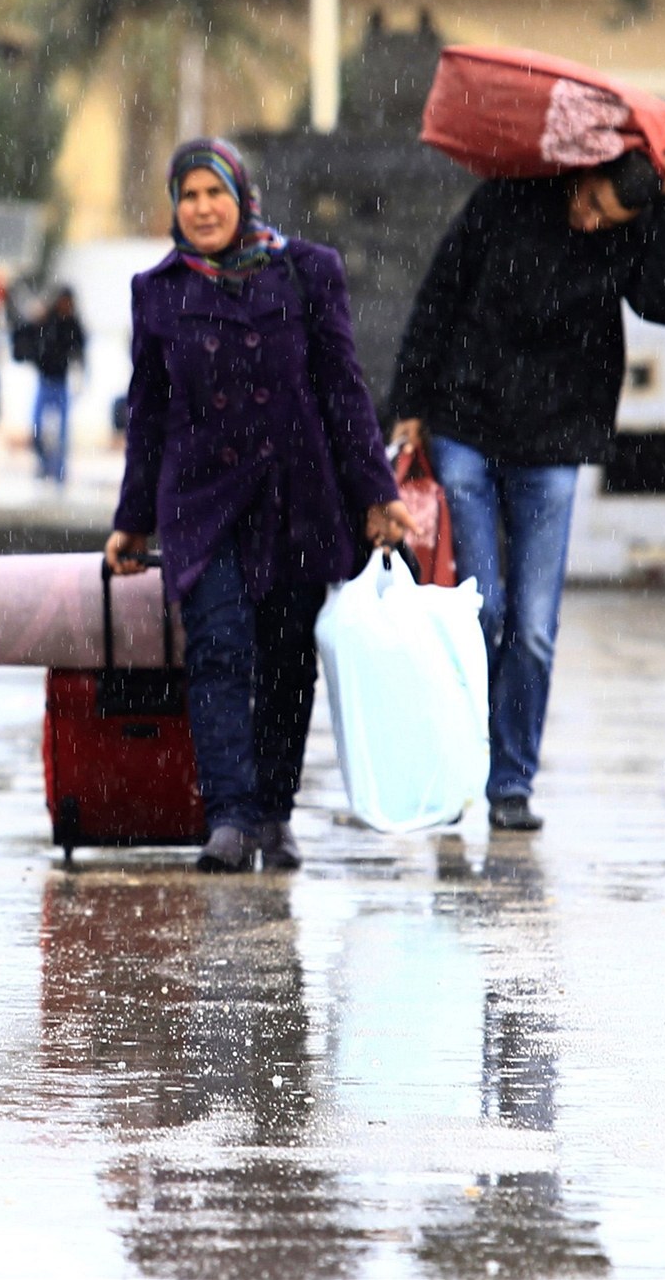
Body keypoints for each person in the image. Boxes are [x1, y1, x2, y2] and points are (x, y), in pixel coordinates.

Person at [105, 138, 413, 874]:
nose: (203, 208)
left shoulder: (307, 272)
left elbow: (343, 388)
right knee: (217, 650)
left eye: (216, 193)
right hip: (202, 503)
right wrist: (132, 519)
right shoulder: (159, 291)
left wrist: (377, 494)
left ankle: (274, 814)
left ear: (243, 198)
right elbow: (148, 414)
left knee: (286, 661)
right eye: (189, 196)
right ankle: (229, 818)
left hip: (296, 496)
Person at [388, 148, 665, 833]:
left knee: (532, 626)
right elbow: (440, 292)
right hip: (466, 422)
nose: (591, 222)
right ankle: (454, 768)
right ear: (582, 173)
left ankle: (510, 783)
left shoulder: (629, 232)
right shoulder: (508, 197)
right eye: (590, 203)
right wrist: (408, 399)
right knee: (478, 610)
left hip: (556, 440)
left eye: (609, 218)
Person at [22, 287, 86, 484]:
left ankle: (59, 470)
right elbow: (27, 338)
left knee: (62, 432)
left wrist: (80, 374)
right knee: (37, 427)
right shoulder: (46, 320)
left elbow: (80, 351)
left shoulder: (73, 324)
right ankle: (43, 464)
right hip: (45, 380)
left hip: (61, 382)